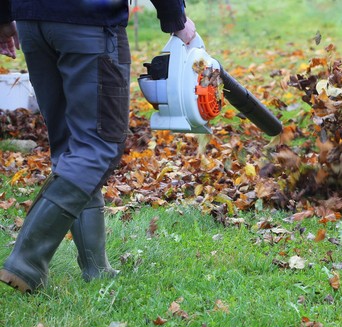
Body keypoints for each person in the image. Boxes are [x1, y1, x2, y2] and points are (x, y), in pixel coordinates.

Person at [0, 1, 196, 293]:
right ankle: (27, 260)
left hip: (32, 20)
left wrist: (5, 15)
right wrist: (175, 17)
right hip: (88, 21)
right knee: (97, 145)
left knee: (71, 145)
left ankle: (96, 267)